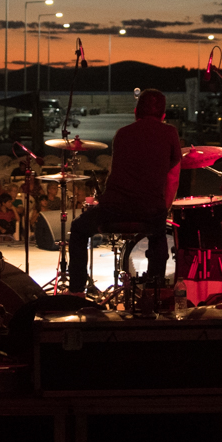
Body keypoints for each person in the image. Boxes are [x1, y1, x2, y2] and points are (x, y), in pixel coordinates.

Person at [69, 88, 181, 294]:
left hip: (114, 208)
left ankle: (76, 291)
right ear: (163, 115)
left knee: (78, 228)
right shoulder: (170, 133)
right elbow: (173, 178)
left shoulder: (122, 134)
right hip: (149, 209)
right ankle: (154, 293)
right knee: (158, 235)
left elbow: (117, 171)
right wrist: (162, 210)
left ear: (136, 112)